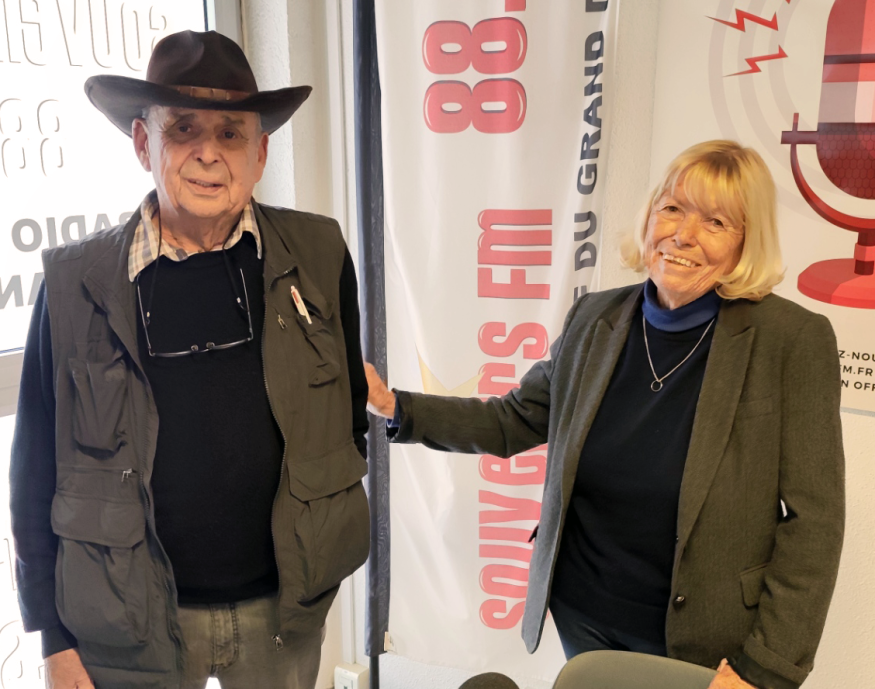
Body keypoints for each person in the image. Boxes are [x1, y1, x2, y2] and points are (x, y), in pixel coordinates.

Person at [366, 141, 845, 689]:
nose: (684, 235)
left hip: (705, 640)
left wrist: (765, 666)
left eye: (716, 222)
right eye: (673, 208)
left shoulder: (792, 341)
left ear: (746, 241)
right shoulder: (596, 318)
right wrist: (396, 406)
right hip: (585, 614)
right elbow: (515, 419)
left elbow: (815, 522)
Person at [10, 30, 370, 689]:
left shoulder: (318, 255)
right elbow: (34, 471)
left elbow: (345, 418)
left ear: (260, 153)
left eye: (230, 133)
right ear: (143, 143)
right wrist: (53, 639)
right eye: (183, 128)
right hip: (130, 623)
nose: (208, 152)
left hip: (281, 618)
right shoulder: (75, 283)